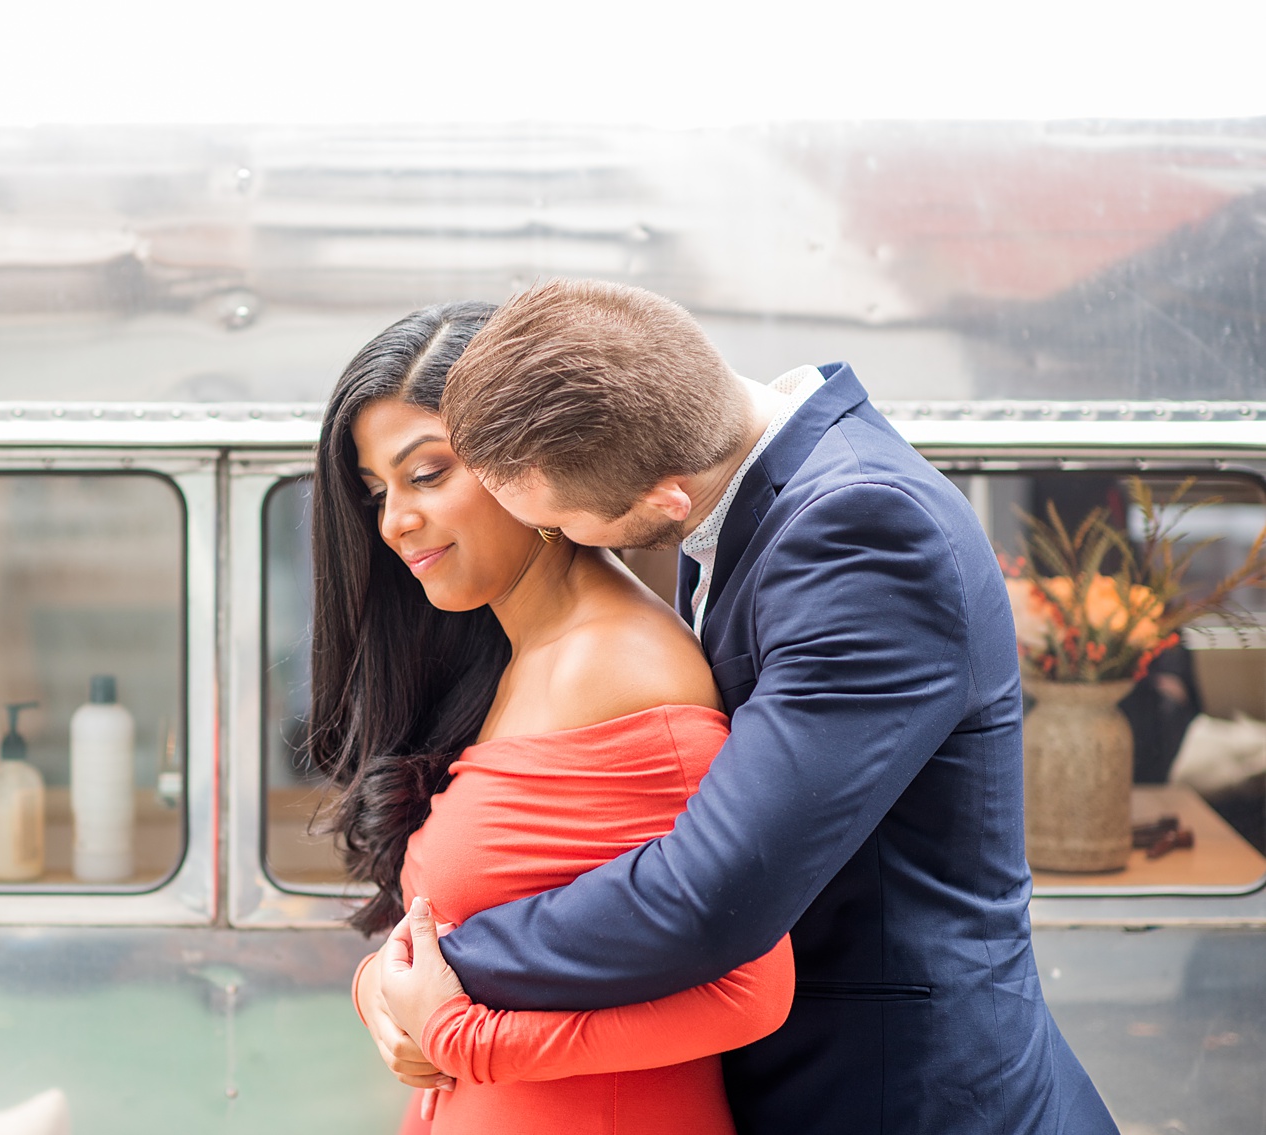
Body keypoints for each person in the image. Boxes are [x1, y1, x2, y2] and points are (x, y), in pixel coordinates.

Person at [365, 279, 1120, 1134]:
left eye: (569, 525)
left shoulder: (865, 530)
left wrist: (437, 967)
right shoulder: (760, 489)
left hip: (899, 1092)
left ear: (664, 501)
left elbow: (716, 890)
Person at [308, 300, 794, 1134]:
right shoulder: (508, 658)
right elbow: (460, 921)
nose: (394, 521)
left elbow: (748, 989)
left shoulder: (621, 667)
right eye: (376, 490)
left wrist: (470, 1039)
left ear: (524, 463)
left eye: (425, 474)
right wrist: (383, 995)